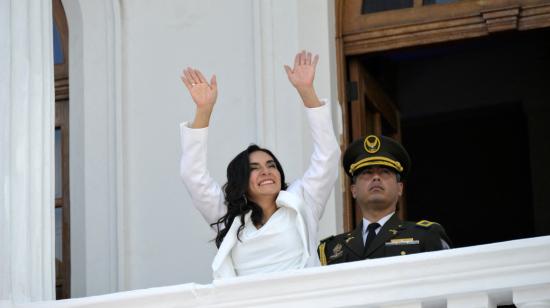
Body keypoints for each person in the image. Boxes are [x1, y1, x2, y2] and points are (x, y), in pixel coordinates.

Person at [179, 51, 340, 279]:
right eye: (254, 168)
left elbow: (327, 155)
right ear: (241, 182)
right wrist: (203, 111)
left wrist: (307, 92)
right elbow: (193, 176)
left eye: (271, 165)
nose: (266, 171)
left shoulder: (302, 201)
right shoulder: (228, 216)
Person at [318, 135, 451, 265]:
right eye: (367, 172)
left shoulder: (425, 236)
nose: (376, 177)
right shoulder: (331, 249)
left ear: (400, 188)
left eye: (385, 172)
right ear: (354, 190)